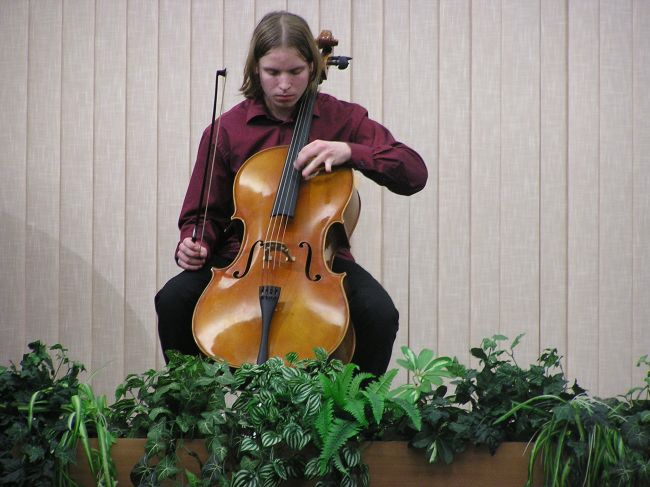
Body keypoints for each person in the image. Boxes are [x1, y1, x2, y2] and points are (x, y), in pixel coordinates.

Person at [155, 11, 427, 376]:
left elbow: (413, 172)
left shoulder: (342, 119)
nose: (284, 84)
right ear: (255, 70)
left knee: (379, 313)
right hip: (242, 259)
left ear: (313, 67)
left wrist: (349, 151)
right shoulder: (228, 129)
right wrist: (195, 242)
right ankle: (192, 404)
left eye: (296, 71)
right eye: (273, 72)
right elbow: (203, 213)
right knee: (172, 300)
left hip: (319, 262)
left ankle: (353, 409)